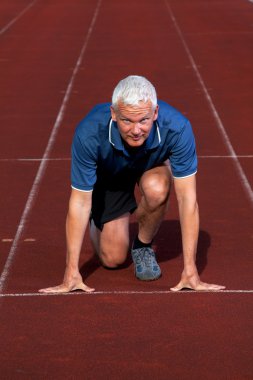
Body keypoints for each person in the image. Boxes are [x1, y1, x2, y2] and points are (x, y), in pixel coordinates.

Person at [39, 75, 225, 294]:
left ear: (155, 113)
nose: (136, 130)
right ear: (114, 114)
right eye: (127, 120)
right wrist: (71, 272)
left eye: (144, 120)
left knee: (157, 189)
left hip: (151, 165)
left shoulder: (178, 128)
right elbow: (79, 202)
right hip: (110, 175)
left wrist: (190, 271)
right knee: (113, 259)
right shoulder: (88, 133)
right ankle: (99, 222)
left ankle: (142, 246)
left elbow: (188, 200)